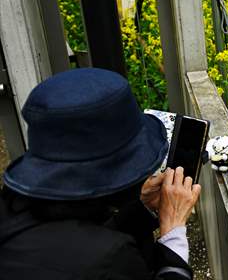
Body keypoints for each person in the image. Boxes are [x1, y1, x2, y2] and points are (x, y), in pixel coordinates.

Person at [0, 68, 201, 279]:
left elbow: (74, 238)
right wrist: (173, 231)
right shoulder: (110, 260)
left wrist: (140, 209)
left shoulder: (11, 209)